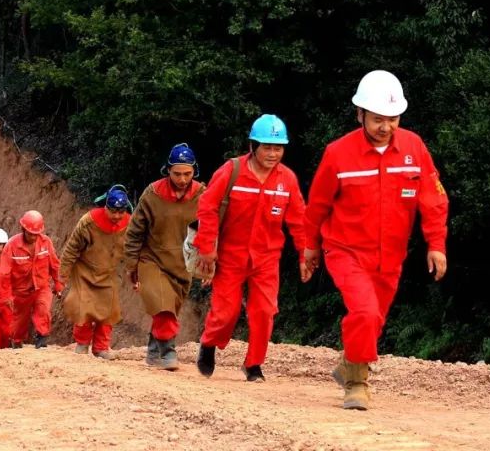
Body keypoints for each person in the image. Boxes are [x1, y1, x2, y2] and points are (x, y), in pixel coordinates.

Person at [304, 70, 449, 410]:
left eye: (393, 119)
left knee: (374, 320)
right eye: (378, 120)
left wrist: (437, 245)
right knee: (365, 313)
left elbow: (433, 200)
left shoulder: (414, 148)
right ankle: (357, 383)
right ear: (360, 115)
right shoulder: (338, 154)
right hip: (345, 250)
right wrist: (310, 246)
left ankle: (348, 363)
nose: (385, 127)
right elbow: (317, 205)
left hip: (391, 254)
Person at [193, 114, 307, 382]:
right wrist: (207, 247)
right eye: (267, 147)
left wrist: (305, 254)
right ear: (253, 146)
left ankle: (253, 364)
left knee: (265, 312)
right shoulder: (231, 171)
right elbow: (207, 207)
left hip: (267, 258)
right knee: (225, 312)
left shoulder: (287, 180)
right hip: (231, 256)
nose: (272, 153)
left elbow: (300, 221)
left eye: (278, 148)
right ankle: (208, 344)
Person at [124, 143, 206, 370]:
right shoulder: (152, 194)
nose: (182, 179)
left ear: (194, 171)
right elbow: (134, 232)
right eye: (177, 173)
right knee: (163, 307)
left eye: (187, 174)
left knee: (168, 310)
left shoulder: (202, 195)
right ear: (167, 170)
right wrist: (132, 265)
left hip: (183, 265)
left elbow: (211, 230)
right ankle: (168, 352)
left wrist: (209, 266)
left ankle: (153, 351)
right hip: (152, 260)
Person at [59, 185, 132, 360]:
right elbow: (71, 249)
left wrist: (135, 273)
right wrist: (62, 276)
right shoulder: (88, 221)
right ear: (105, 207)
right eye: (113, 211)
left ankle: (101, 348)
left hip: (108, 272)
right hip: (84, 270)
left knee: (109, 311)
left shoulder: (130, 223)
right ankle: (82, 344)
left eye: (120, 212)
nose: (116, 216)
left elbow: (135, 250)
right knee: (84, 309)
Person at [0, 210, 63, 348]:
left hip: (41, 287)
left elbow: (55, 265)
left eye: (36, 234)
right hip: (20, 292)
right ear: (23, 229)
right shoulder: (12, 246)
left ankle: (42, 338)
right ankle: (16, 342)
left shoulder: (46, 243)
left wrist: (58, 283)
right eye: (30, 234)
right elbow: (4, 273)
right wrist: (6, 295)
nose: (33, 237)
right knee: (19, 322)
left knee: (43, 310)